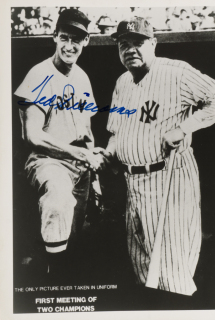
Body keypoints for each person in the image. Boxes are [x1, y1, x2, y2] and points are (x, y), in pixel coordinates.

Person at [95, 17, 215, 296]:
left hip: (169, 178)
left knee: (171, 269)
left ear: (154, 44)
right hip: (133, 183)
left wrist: (183, 127)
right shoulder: (122, 81)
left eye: (138, 43)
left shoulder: (176, 72)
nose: (130, 49)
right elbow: (116, 132)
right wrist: (107, 153)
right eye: (124, 44)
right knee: (143, 267)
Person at [14, 9, 107, 277]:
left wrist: (95, 174)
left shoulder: (81, 77)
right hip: (48, 161)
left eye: (76, 39)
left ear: (86, 41)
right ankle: (53, 278)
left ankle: (60, 274)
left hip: (80, 164)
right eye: (64, 37)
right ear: (55, 36)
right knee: (58, 200)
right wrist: (77, 153)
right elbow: (33, 135)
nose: (70, 45)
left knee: (74, 237)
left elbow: (86, 131)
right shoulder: (39, 74)